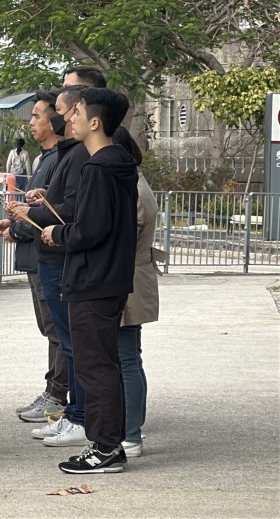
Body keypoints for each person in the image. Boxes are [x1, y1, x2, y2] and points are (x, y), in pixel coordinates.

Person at [41, 87, 136, 474]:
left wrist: (57, 235)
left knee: (95, 367)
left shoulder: (99, 167)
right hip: (107, 279)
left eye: (76, 112)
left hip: (93, 280)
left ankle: (105, 447)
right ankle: (109, 443)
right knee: (102, 365)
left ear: (95, 122)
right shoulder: (117, 163)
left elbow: (90, 230)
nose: (70, 119)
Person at [15, 85, 90, 449]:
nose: (67, 117)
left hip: (60, 260)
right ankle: (72, 412)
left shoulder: (83, 156)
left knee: (72, 342)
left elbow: (74, 213)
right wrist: (39, 206)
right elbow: (62, 203)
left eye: (67, 110)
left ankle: (76, 412)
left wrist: (35, 213)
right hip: (47, 258)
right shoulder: (65, 155)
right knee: (62, 336)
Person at [0, 91, 69, 423]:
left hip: (48, 257)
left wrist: (19, 228)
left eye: (37, 116)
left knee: (57, 329)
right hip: (34, 256)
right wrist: (14, 222)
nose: (32, 123)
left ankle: (58, 393)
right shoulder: (44, 159)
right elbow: (33, 209)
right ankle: (54, 388)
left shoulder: (60, 159)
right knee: (49, 327)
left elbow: (48, 213)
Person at [113, 126, 160, 458]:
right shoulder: (134, 183)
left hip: (128, 279)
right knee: (127, 358)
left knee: (127, 358)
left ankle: (131, 432)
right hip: (131, 276)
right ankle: (129, 430)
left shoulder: (132, 189)